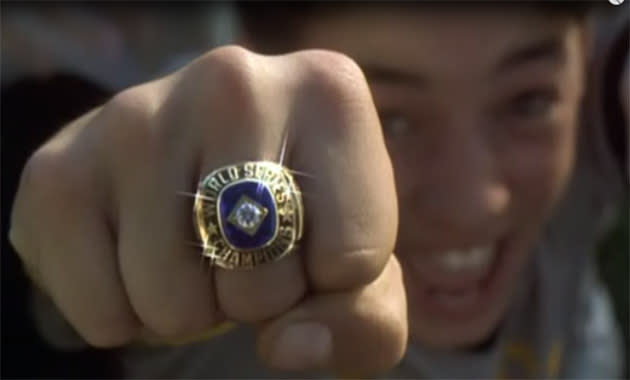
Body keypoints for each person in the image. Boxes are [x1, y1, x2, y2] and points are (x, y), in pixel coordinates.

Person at [5, 2, 628, 378]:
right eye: (391, 119)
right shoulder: (227, 309)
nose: (476, 200)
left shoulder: (595, 148)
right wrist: (75, 264)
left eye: (528, 102)